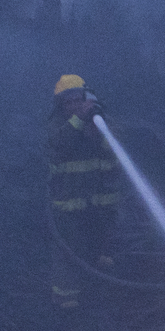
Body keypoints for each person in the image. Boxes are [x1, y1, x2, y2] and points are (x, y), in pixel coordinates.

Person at [46, 73, 122, 309]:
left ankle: (99, 296)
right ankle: (65, 301)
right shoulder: (55, 126)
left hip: (100, 203)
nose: (75, 105)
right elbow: (60, 144)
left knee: (102, 253)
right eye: (69, 102)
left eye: (79, 99)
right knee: (70, 252)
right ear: (61, 105)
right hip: (69, 206)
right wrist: (80, 120)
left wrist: (99, 129)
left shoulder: (99, 121)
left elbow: (115, 151)